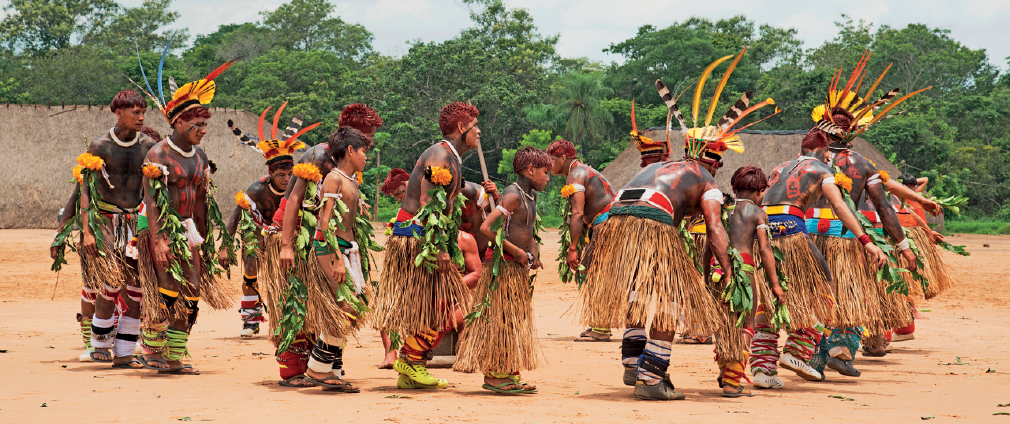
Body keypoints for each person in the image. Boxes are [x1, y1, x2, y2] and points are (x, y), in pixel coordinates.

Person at [580, 49, 774, 400]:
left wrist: (593, 247)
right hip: (650, 225)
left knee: (639, 291)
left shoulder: (660, 167)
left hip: (615, 221)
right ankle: (652, 378)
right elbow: (715, 228)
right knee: (671, 298)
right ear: (714, 161)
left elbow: (613, 207)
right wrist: (728, 270)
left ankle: (632, 358)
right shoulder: (707, 180)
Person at [804, 54, 927, 375]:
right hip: (844, 237)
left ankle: (815, 353)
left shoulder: (805, 162)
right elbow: (884, 207)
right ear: (851, 134)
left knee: (817, 294)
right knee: (852, 293)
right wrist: (903, 246)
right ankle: (841, 351)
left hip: (805, 236)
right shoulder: (860, 164)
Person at [132, 57, 238, 375]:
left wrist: (204, 242)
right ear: (178, 123)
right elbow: (151, 201)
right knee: (166, 290)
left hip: (187, 230)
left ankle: (174, 356)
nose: (203, 131)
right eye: (197, 126)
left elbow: (201, 202)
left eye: (205, 126)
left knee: (191, 293)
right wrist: (161, 240)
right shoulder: (158, 155)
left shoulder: (201, 157)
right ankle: (150, 349)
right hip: (158, 228)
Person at [266, 103, 382, 387]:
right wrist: (287, 244)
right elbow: (295, 199)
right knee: (297, 303)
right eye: (367, 138)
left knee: (332, 304)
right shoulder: (320, 156)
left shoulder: (346, 169)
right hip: (294, 232)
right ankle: (295, 370)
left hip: (326, 238)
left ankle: (328, 368)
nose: (370, 143)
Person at [372, 101, 479, 389]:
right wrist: (440, 248)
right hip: (418, 238)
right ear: (461, 127)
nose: (478, 132)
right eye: (475, 126)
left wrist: (481, 192)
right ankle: (410, 358)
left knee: (439, 302)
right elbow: (426, 202)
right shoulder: (439, 153)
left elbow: (453, 194)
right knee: (442, 301)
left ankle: (412, 369)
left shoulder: (450, 156)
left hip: (426, 237)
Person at [50, 90, 158, 367]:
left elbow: (154, 192)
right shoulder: (99, 146)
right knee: (110, 280)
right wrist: (84, 231)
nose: (141, 116)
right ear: (118, 113)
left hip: (134, 220)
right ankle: (99, 343)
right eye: (135, 112)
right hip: (104, 219)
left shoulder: (148, 145)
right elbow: (83, 190)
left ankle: (124, 351)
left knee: (135, 287)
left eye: (143, 111)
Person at [454, 146, 551, 394]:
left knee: (512, 320)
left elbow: (527, 228)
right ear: (530, 170)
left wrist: (533, 253)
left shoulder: (529, 196)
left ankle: (507, 371)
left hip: (516, 268)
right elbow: (488, 228)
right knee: (500, 320)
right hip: (502, 267)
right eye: (545, 172)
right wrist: (516, 252)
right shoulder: (512, 195)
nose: (548, 178)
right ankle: (496, 375)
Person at [219, 104, 313, 338]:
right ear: (271, 175)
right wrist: (224, 246)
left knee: (291, 271)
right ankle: (250, 319)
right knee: (251, 265)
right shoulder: (257, 190)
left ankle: (291, 314)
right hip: (259, 230)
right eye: (281, 175)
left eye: (290, 175)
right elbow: (235, 217)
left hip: (286, 232)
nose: (286, 179)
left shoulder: (300, 188)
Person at [301, 127, 376, 393]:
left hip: (346, 248)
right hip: (331, 248)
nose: (367, 156)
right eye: (364, 151)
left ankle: (331, 372)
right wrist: (337, 258)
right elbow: (324, 221)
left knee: (349, 307)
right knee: (347, 308)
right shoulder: (334, 178)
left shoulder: (351, 180)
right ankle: (316, 369)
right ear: (351, 151)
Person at [709, 166, 786, 397]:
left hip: (717, 269)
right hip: (743, 267)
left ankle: (726, 371)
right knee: (747, 323)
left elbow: (709, 244)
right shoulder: (757, 213)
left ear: (735, 187)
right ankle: (732, 382)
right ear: (760, 190)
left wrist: (705, 276)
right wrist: (775, 284)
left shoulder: (722, 211)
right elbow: (764, 249)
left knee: (724, 323)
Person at [545, 138, 617, 342]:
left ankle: (601, 327)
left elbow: (577, 213)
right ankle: (600, 324)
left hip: (606, 225)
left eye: (551, 160)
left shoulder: (575, 175)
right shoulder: (580, 171)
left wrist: (573, 248)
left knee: (595, 273)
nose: (549, 166)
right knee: (596, 272)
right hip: (604, 224)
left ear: (563, 157)